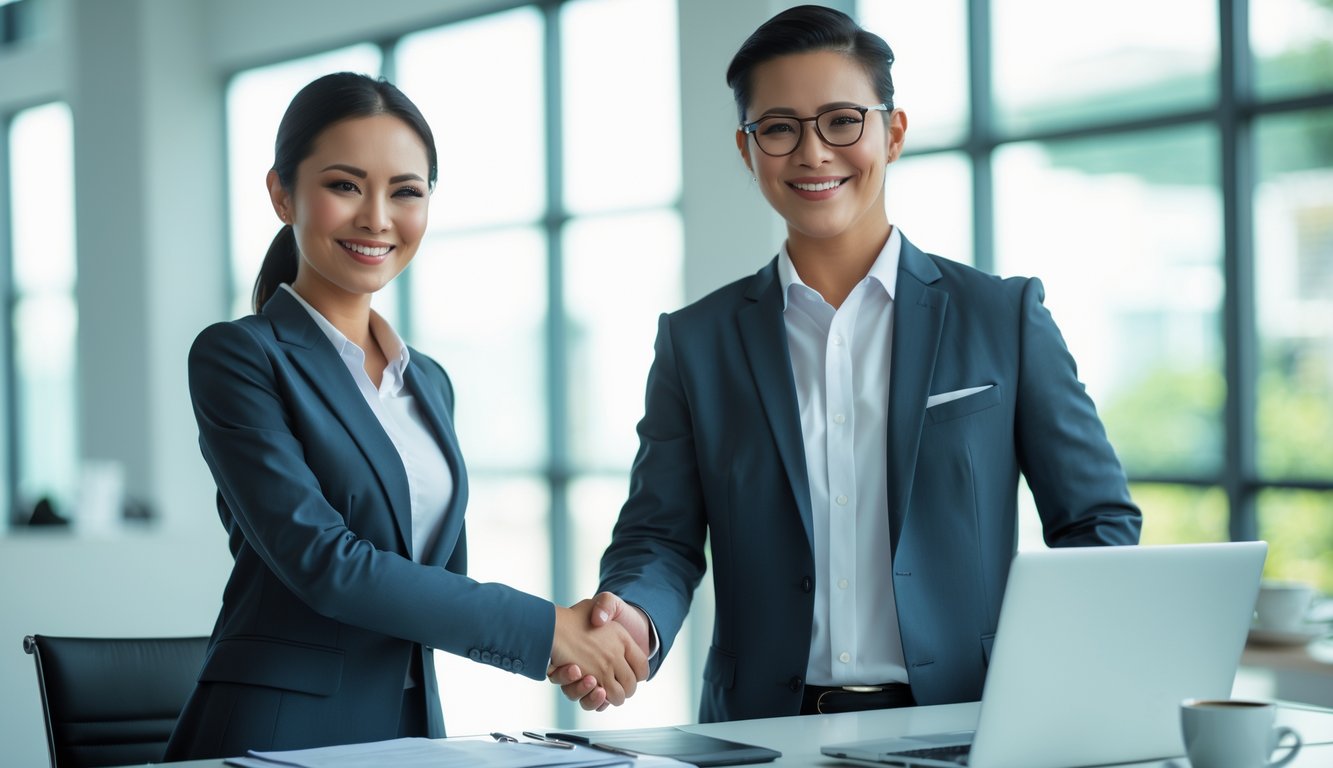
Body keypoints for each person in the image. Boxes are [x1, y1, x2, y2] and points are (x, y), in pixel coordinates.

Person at [549, 5, 1141, 723]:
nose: (812, 152)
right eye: (778, 128)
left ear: (891, 133)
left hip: (968, 726)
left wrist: (1056, 675)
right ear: (747, 149)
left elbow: (1095, 522)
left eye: (840, 120)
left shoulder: (1001, 317)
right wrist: (631, 620)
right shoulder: (695, 341)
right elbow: (661, 537)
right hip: (762, 734)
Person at [165, 72, 646, 760]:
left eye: (406, 192)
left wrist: (573, 647)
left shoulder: (429, 384)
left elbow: (438, 587)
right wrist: (547, 632)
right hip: (278, 734)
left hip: (410, 733)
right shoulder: (240, 356)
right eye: (344, 185)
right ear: (281, 193)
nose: (377, 218)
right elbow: (324, 562)